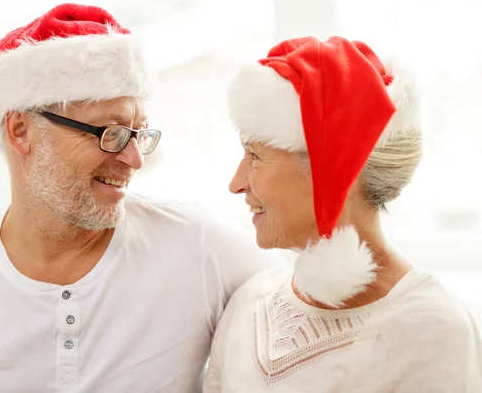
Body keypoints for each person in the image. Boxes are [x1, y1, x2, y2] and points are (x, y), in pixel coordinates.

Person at [0, 3, 281, 392]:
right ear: (21, 130)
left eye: (138, 133)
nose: (135, 159)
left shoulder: (205, 252)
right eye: (109, 132)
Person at [203, 36, 482, 392]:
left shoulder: (431, 330)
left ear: (333, 172)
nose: (236, 183)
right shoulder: (249, 302)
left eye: (255, 156)